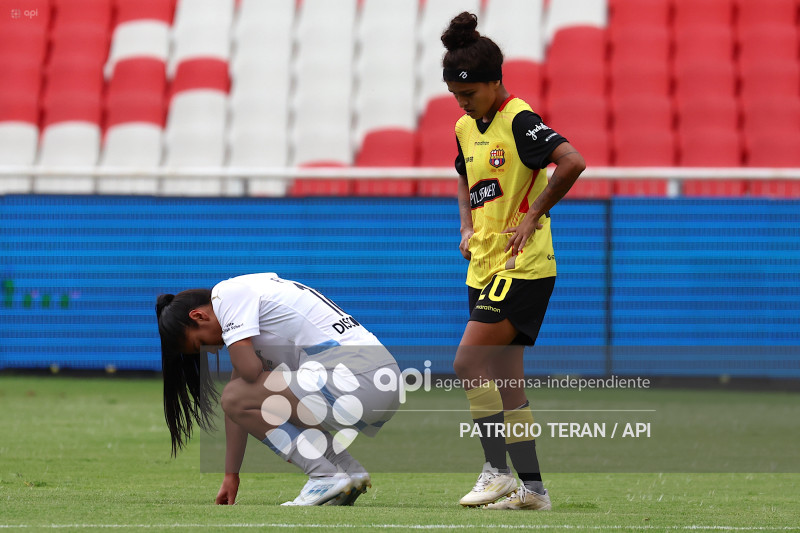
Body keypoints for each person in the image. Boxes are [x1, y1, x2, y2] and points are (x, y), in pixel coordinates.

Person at [442, 12, 586, 510]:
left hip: (523, 266)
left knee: (466, 362)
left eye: (470, 94)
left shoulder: (520, 119)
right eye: (456, 96)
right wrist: (466, 226)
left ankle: (496, 470)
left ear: (495, 82)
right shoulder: (465, 125)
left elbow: (572, 161)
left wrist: (534, 216)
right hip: (483, 265)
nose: (462, 103)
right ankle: (535, 491)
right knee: (506, 383)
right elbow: (464, 175)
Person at [155, 272, 400, 506]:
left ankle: (323, 476)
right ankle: (348, 471)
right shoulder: (252, 299)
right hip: (381, 378)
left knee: (236, 396)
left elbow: (246, 377)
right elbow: (240, 400)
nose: (214, 349)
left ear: (198, 316)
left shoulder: (227, 294)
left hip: (356, 377)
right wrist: (231, 474)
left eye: (201, 343)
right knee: (254, 397)